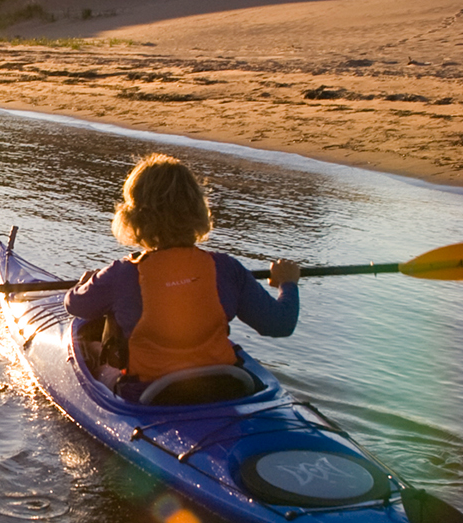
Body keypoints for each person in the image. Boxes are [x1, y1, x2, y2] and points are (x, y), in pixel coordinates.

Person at [66, 153, 302, 394]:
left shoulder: (122, 273)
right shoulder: (226, 267)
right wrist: (288, 283)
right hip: (225, 386)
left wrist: (87, 283)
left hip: (149, 395)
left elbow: (75, 306)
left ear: (134, 215)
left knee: (92, 350)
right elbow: (279, 324)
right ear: (197, 209)